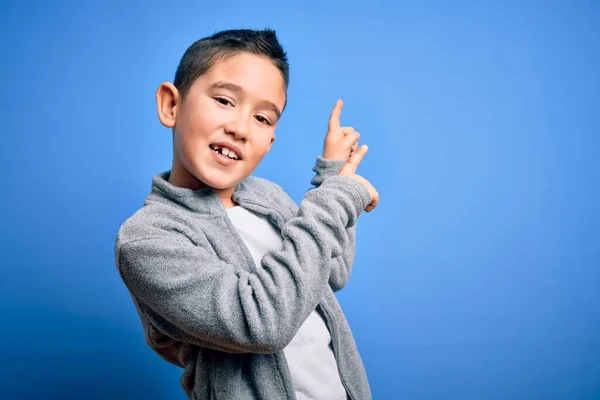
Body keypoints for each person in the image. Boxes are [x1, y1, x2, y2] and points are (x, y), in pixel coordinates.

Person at [114, 28, 379, 400]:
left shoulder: (268, 196)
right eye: (224, 100)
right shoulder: (148, 238)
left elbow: (331, 270)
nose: (240, 128)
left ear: (269, 142)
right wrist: (336, 198)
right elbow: (263, 323)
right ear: (171, 105)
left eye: (263, 119)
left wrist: (332, 178)